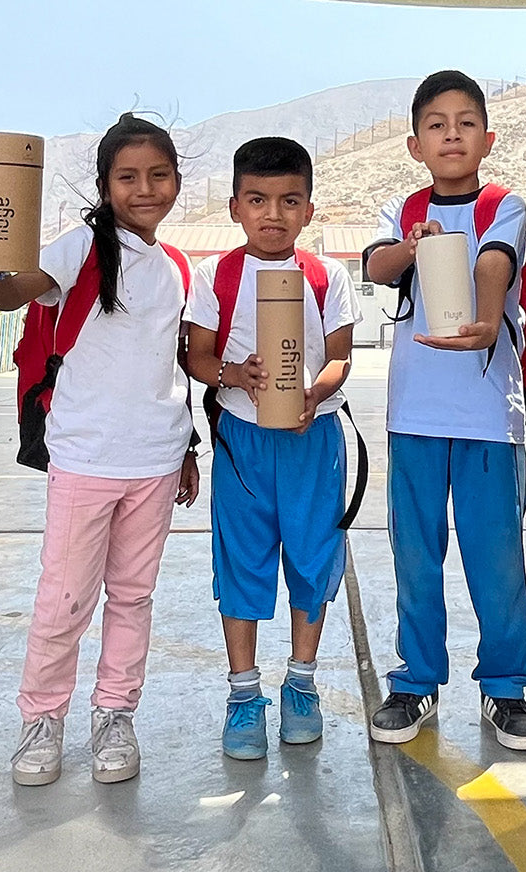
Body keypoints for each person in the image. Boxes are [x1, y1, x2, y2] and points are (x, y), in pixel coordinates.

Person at [0, 114, 200, 788]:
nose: (145, 189)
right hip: (85, 459)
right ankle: (42, 719)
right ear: (105, 186)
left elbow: (169, 365)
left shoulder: (177, 267)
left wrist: (187, 447)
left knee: (133, 597)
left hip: (156, 460)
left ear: (177, 182)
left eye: (158, 175)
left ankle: (115, 715)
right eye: (127, 177)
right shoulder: (80, 247)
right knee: (64, 600)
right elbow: (8, 294)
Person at [361, 70, 526, 751]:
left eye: (466, 123)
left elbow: (495, 262)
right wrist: (412, 248)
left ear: (488, 138)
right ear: (415, 145)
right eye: (436, 125)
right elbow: (377, 266)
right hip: (414, 417)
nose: (452, 135)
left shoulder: (504, 205)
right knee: (416, 557)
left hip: (487, 420)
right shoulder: (402, 209)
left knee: (496, 559)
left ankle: (506, 686)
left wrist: (487, 320)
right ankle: (416, 680)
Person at [182, 137, 359, 760]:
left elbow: (339, 356)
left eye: (289, 200)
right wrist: (235, 376)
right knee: (243, 560)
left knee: (312, 558)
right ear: (235, 207)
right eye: (257, 200)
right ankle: (243, 694)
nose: (273, 214)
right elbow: (198, 357)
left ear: (309, 209)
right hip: (243, 444)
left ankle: (301, 684)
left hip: (314, 439)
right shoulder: (217, 275)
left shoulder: (327, 275)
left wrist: (315, 394)